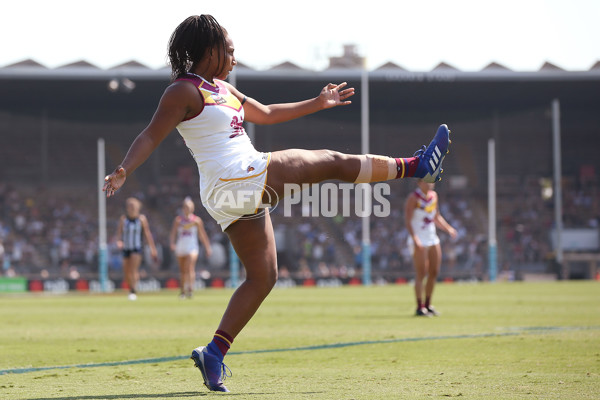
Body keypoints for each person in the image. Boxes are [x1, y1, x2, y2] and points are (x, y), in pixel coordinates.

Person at [103, 14, 451, 392]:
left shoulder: (224, 88)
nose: (235, 58)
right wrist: (123, 169)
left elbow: (266, 114)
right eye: (230, 50)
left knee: (264, 276)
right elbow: (151, 135)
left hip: (235, 189)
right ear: (209, 49)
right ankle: (417, 167)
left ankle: (214, 353)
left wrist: (318, 102)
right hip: (234, 178)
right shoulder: (182, 91)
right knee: (330, 162)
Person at [405, 179, 457, 317]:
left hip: (432, 237)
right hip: (419, 239)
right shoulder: (413, 198)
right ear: (419, 182)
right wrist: (415, 239)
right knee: (421, 273)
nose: (430, 184)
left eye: (431, 181)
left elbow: (436, 216)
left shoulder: (434, 196)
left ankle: (428, 304)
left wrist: (448, 228)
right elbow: (408, 220)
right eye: (427, 181)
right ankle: (419, 306)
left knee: (434, 272)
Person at [115, 197, 158, 301]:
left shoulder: (141, 219)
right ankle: (130, 287)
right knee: (126, 271)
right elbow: (119, 233)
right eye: (129, 206)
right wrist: (119, 241)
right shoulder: (123, 219)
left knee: (133, 269)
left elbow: (147, 234)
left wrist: (153, 248)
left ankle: (133, 290)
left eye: (133, 206)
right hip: (126, 248)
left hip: (137, 248)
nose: (131, 208)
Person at [170, 196, 212, 299]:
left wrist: (207, 247)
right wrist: (172, 243)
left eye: (188, 207)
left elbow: (202, 235)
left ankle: (190, 289)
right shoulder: (178, 220)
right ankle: (182, 291)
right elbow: (173, 233)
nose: (187, 209)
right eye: (185, 207)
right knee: (183, 270)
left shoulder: (196, 220)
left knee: (189, 267)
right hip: (181, 246)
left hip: (192, 246)